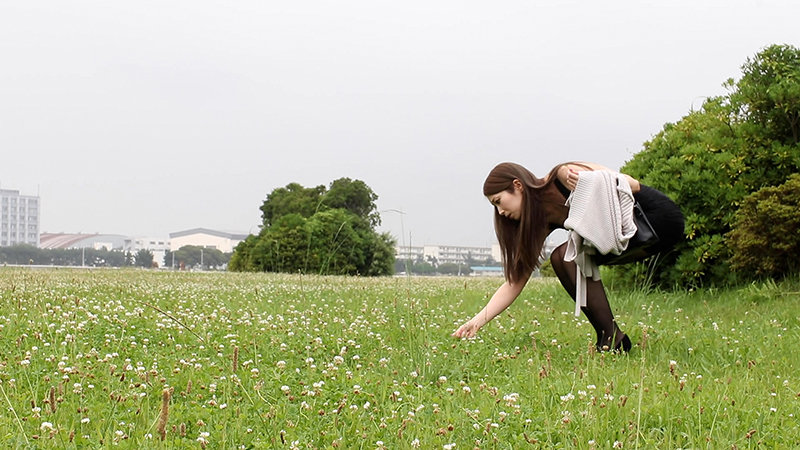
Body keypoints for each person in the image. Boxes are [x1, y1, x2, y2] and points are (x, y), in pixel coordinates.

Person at [451, 161, 684, 352]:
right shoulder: (540, 223)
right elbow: (515, 282)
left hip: (655, 219)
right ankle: (612, 340)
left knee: (565, 256)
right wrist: (477, 322)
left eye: (499, 201)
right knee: (562, 258)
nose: (500, 211)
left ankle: (610, 339)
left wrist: (589, 181)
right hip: (630, 239)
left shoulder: (563, 177)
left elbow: (630, 184)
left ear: (518, 185)